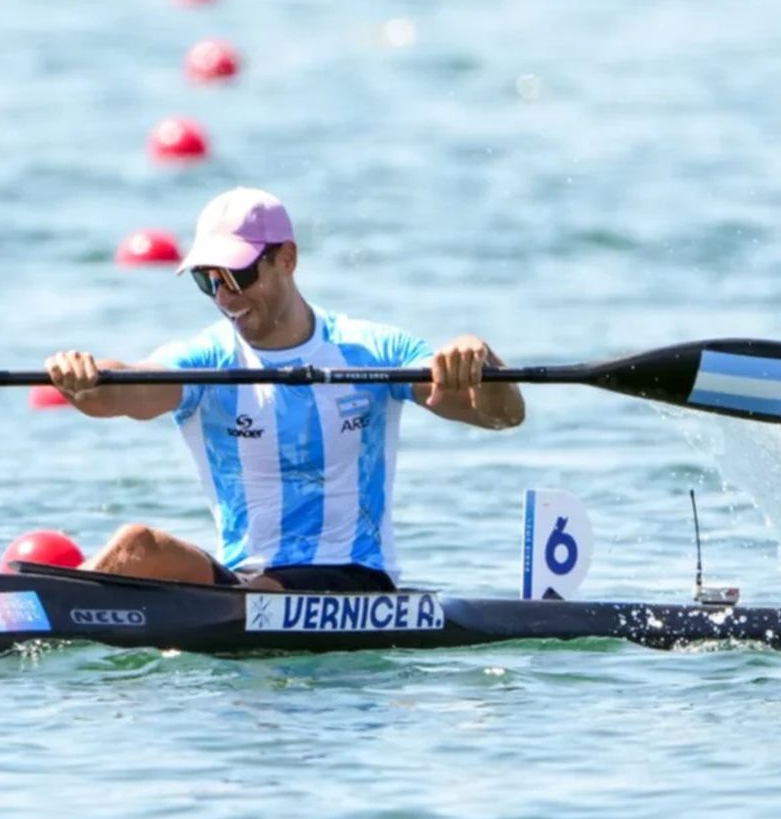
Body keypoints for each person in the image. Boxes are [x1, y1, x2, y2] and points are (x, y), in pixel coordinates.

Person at [45, 187, 524, 591]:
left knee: (258, 594)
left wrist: (480, 362)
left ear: (287, 259)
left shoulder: (371, 351)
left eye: (237, 275)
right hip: (247, 584)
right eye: (207, 281)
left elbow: (501, 415)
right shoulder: (206, 361)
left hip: (355, 578)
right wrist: (85, 377)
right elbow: (123, 390)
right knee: (137, 546)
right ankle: (42, 609)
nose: (224, 296)